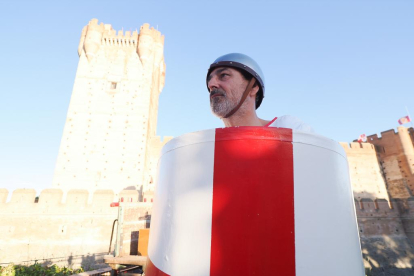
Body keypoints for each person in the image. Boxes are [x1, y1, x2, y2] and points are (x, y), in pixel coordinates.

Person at [207, 53, 313, 132]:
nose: (211, 84)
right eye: (209, 79)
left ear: (253, 87)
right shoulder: (209, 147)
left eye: (224, 75)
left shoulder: (289, 127)